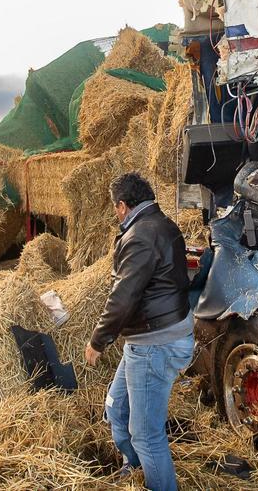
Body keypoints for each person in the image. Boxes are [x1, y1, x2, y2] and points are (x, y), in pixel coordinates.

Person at [84, 172, 194, 491]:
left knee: (146, 434)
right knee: (115, 406)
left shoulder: (140, 235)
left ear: (122, 206)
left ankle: (153, 475)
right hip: (153, 337)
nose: (115, 214)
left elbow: (124, 295)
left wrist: (98, 340)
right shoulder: (162, 224)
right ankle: (134, 468)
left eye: (114, 208)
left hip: (154, 343)